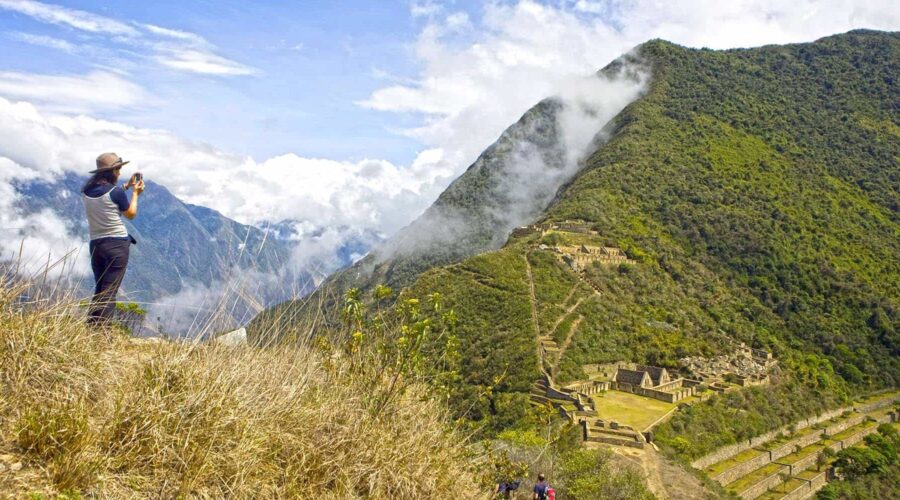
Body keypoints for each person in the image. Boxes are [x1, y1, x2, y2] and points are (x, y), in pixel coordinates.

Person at [81, 152, 144, 325]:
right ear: (113, 171)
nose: (119, 173)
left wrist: (126, 186)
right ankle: (102, 334)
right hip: (116, 245)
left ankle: (92, 328)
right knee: (110, 292)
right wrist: (135, 193)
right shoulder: (114, 192)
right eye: (119, 169)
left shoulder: (87, 191)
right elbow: (130, 213)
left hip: (96, 245)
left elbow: (106, 197)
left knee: (100, 289)